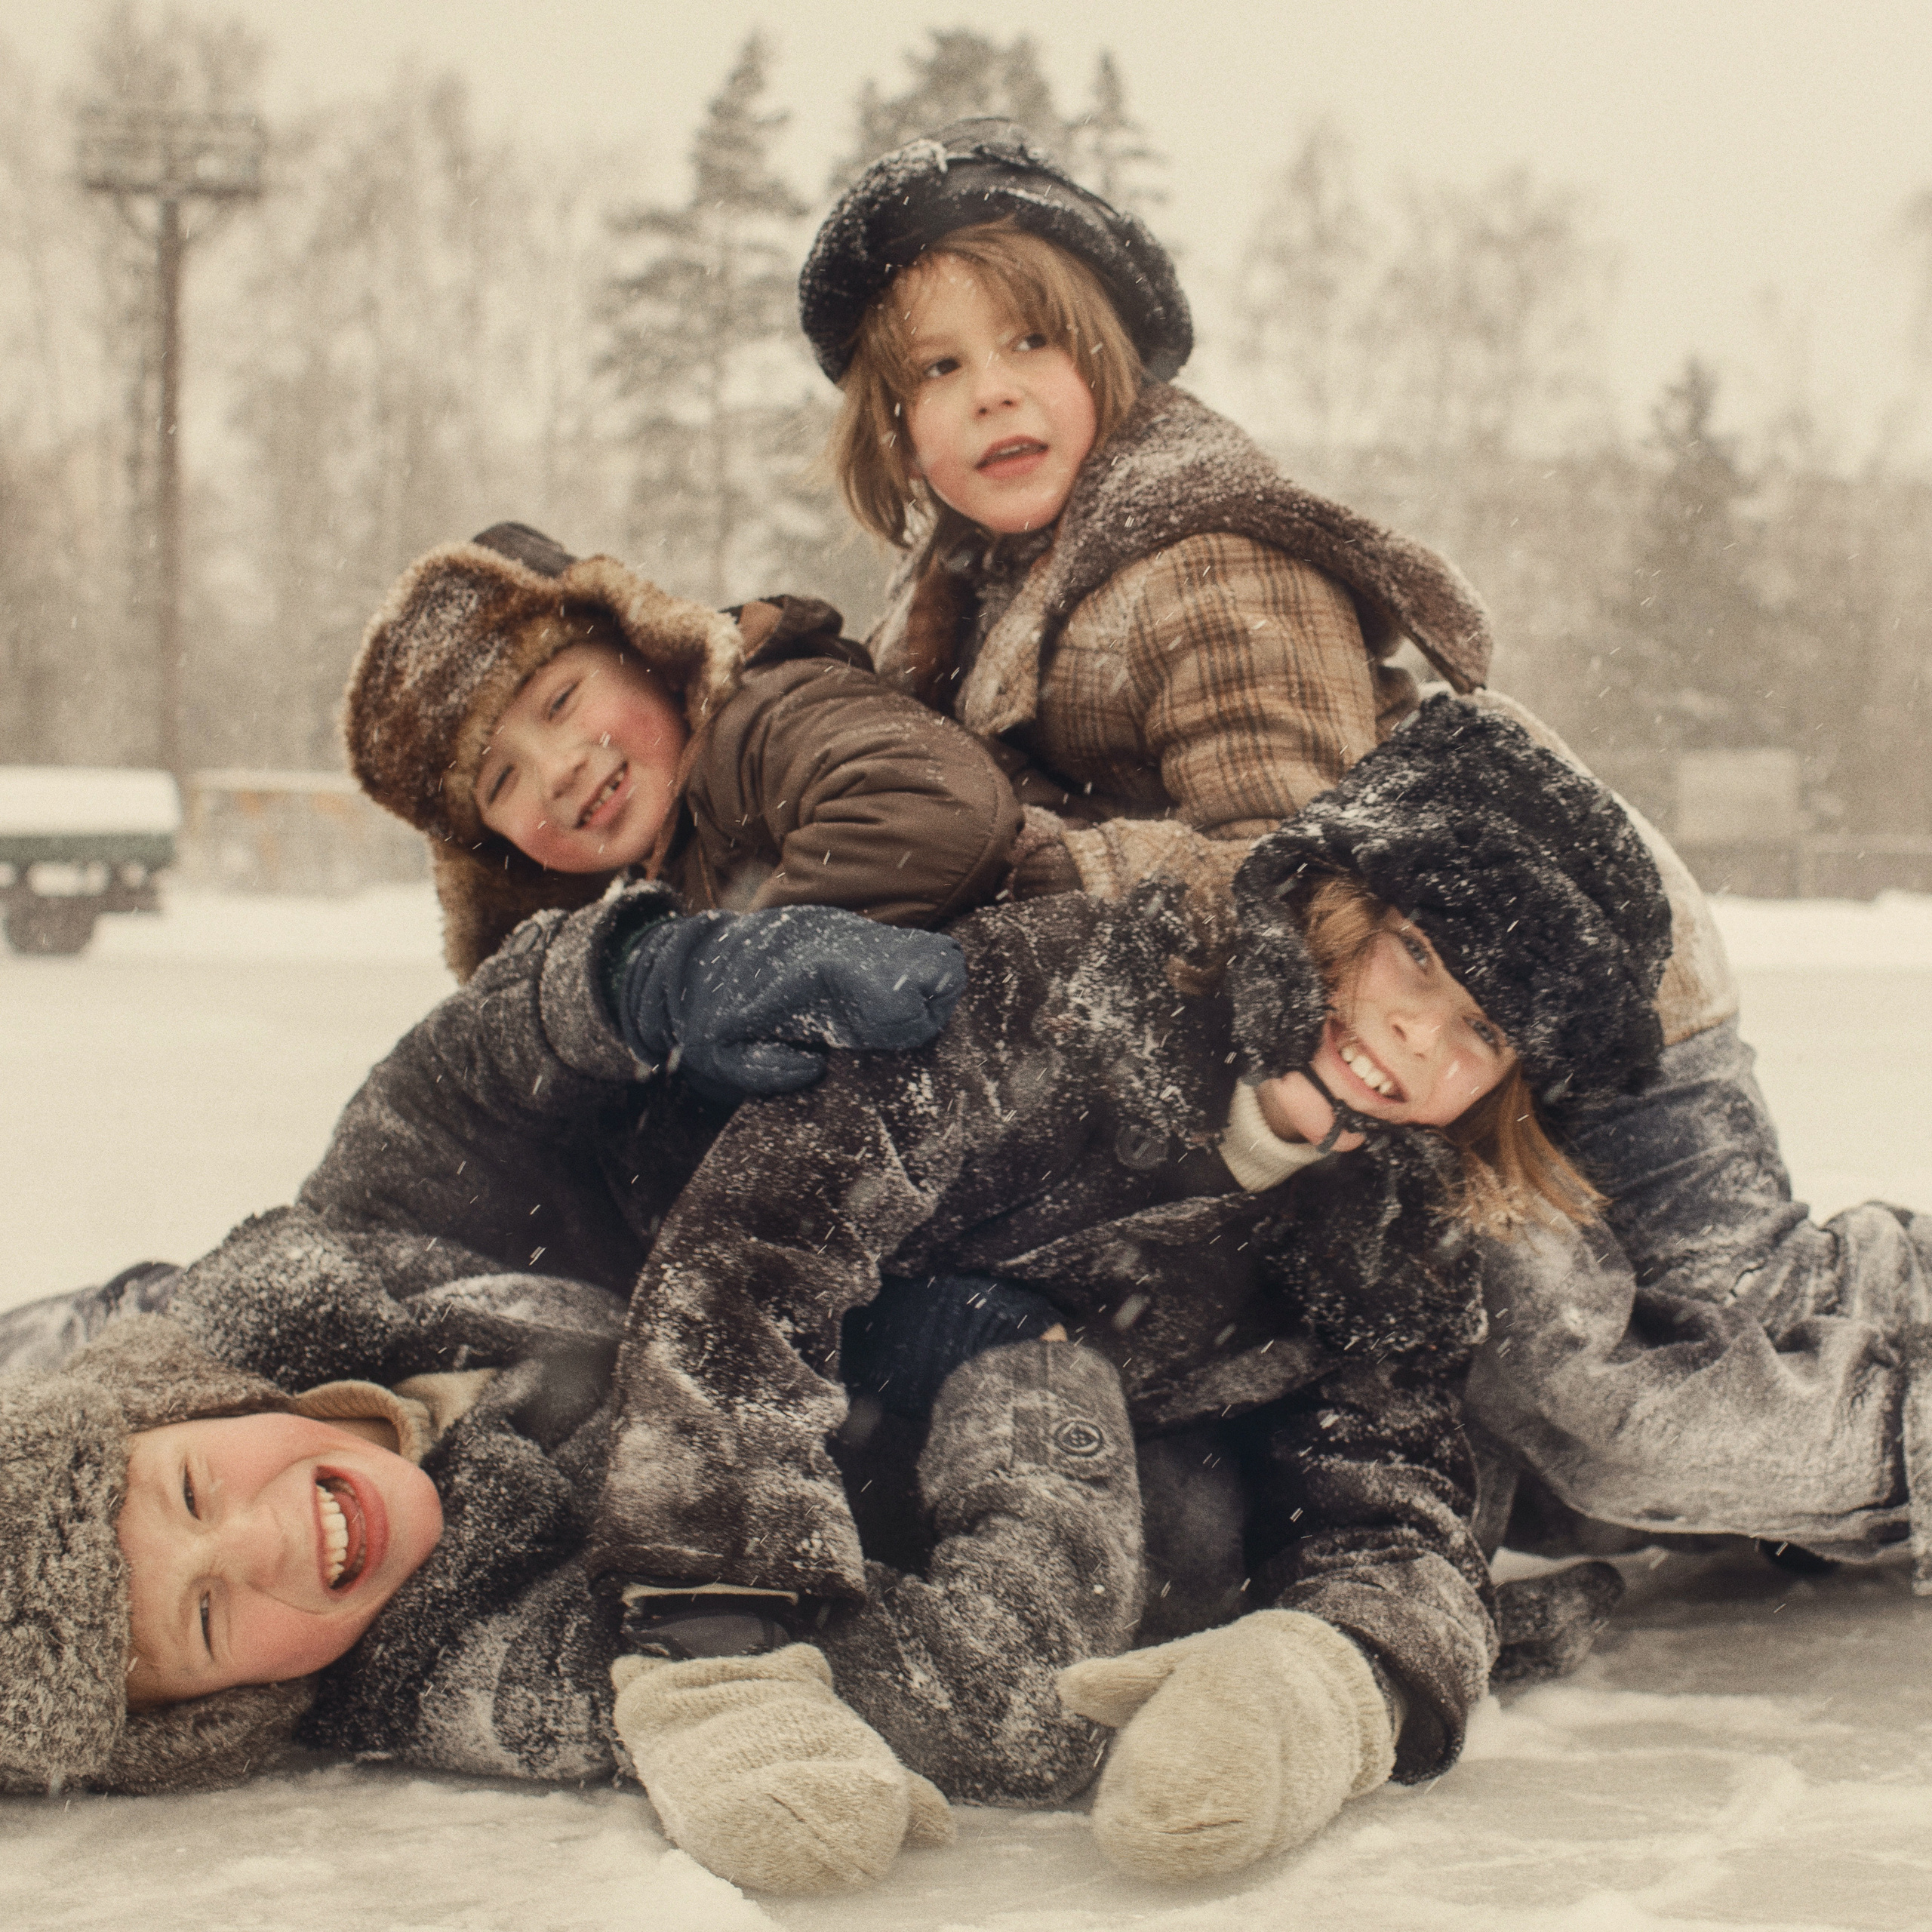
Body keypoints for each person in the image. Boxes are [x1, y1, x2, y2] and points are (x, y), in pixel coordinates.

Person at [2, 699, 1672, 1896]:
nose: (271, 1535)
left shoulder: (303, 1285)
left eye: (200, 1488)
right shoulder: (474, 1650)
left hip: (731, 1211)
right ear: (223, 1714)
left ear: (200, 1402)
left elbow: (457, 1087)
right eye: (216, 1619)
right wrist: (1020, 1404)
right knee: (1298, 1500)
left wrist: (639, 972)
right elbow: (943, 1654)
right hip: (922, 1424)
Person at [801, 118, 1932, 1597]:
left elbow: (1290, 867)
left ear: (1113, 361)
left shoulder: (1197, 561)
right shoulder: (964, 605)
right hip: (1423, 1032)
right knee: (1596, 1397)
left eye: (1026, 340)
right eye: (933, 369)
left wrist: (1024, 863)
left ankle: (1864, 1387)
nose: (988, 388)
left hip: (1570, 965)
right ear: (890, 429)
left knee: (1678, 1369)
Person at [346, 519, 1022, 980]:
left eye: (560, 702)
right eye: (500, 784)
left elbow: (939, 808)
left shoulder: (762, 721)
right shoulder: (662, 873)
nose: (557, 771)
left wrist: (716, 979)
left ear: (645, 648)